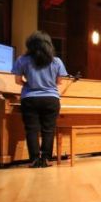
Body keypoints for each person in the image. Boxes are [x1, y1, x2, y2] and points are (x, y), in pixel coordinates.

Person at [11, 31, 69, 168]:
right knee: (48, 129)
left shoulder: (22, 60)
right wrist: (48, 83)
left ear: (30, 45)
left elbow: (18, 81)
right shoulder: (56, 61)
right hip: (51, 98)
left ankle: (34, 160)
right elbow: (59, 81)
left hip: (29, 99)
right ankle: (46, 159)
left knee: (32, 129)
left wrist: (28, 84)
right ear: (48, 45)